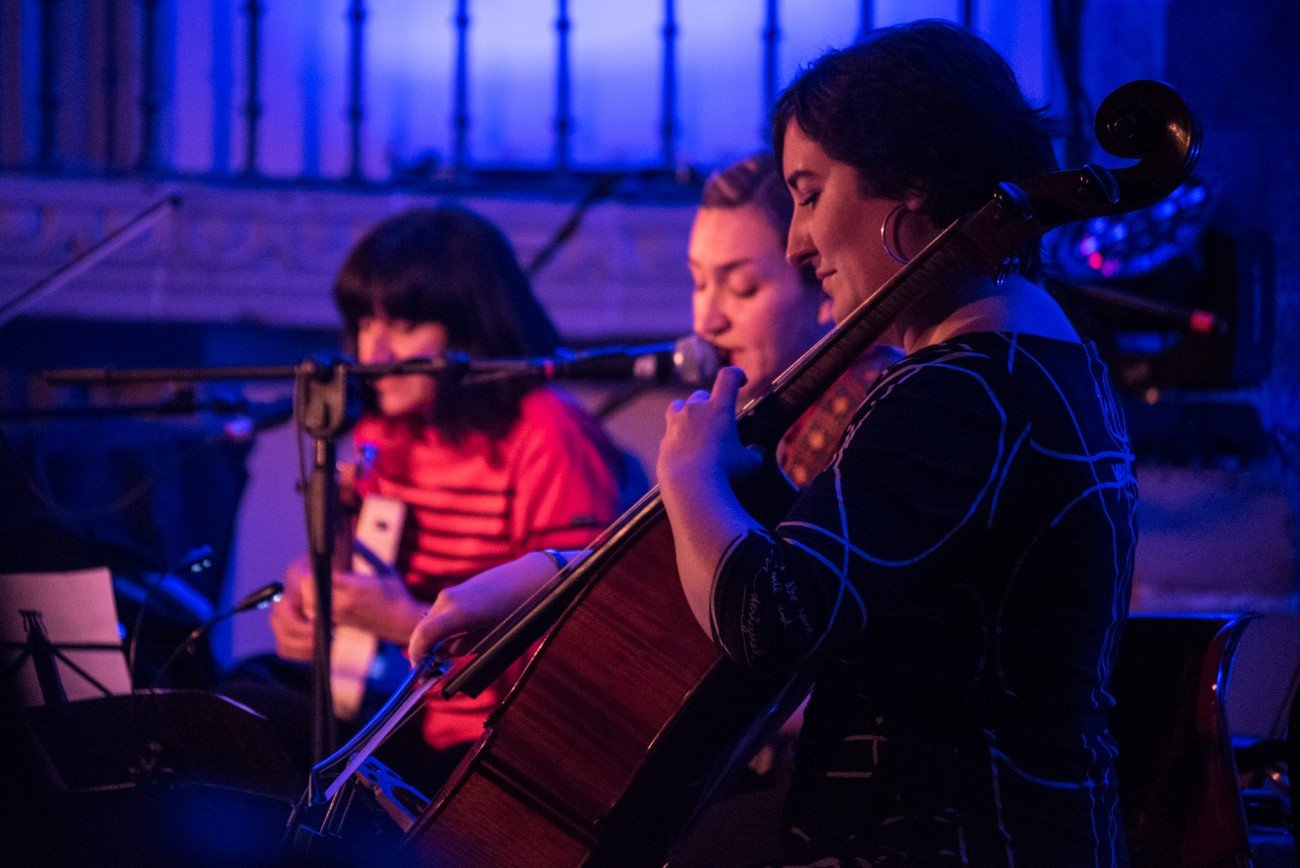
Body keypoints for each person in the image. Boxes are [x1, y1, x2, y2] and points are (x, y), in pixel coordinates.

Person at [414, 19, 1133, 863]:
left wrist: (688, 475)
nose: (798, 243)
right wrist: (558, 578)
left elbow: (769, 622)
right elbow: (828, 557)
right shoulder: (1023, 369)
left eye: (809, 191)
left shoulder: (962, 391)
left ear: (910, 185)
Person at [238, 206, 626, 785]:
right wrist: (313, 590)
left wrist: (406, 622)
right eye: (367, 326)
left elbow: (576, 652)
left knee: (261, 731)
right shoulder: (388, 430)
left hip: (496, 745)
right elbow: (364, 603)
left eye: (402, 326)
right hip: (399, 707)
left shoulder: (549, 435)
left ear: (469, 329)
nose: (374, 355)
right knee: (229, 708)